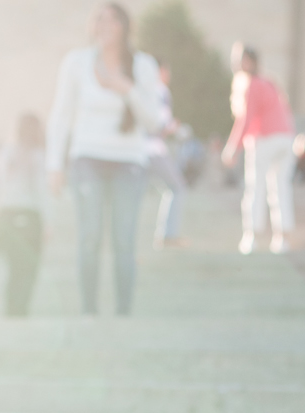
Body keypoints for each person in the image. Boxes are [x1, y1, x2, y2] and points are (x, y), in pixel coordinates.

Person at [47, 3, 166, 316]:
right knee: (89, 237)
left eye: (113, 20)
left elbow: (154, 121)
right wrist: (54, 164)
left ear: (124, 27)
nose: (105, 25)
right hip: (87, 159)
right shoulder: (76, 63)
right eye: (99, 19)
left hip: (129, 162)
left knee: (124, 240)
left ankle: (123, 312)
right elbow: (60, 115)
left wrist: (127, 89)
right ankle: (89, 312)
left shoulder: (143, 65)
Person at [222, 43, 294, 254]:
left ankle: (251, 236)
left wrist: (232, 148)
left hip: (265, 138)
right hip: (285, 137)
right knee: (281, 188)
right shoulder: (269, 82)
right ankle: (282, 239)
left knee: (255, 187)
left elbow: (246, 118)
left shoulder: (252, 84)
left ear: (248, 61)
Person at [0, 112, 47, 317]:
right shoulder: (38, 156)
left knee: (13, 268)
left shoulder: (5, 153)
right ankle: (22, 309)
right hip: (31, 216)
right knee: (29, 268)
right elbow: (42, 192)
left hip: (7, 214)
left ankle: (11, 309)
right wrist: (48, 222)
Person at [145, 62, 204, 247]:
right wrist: (176, 128)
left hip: (137, 152)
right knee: (177, 187)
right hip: (153, 150)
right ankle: (168, 236)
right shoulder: (161, 90)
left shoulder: (143, 89)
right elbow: (160, 125)